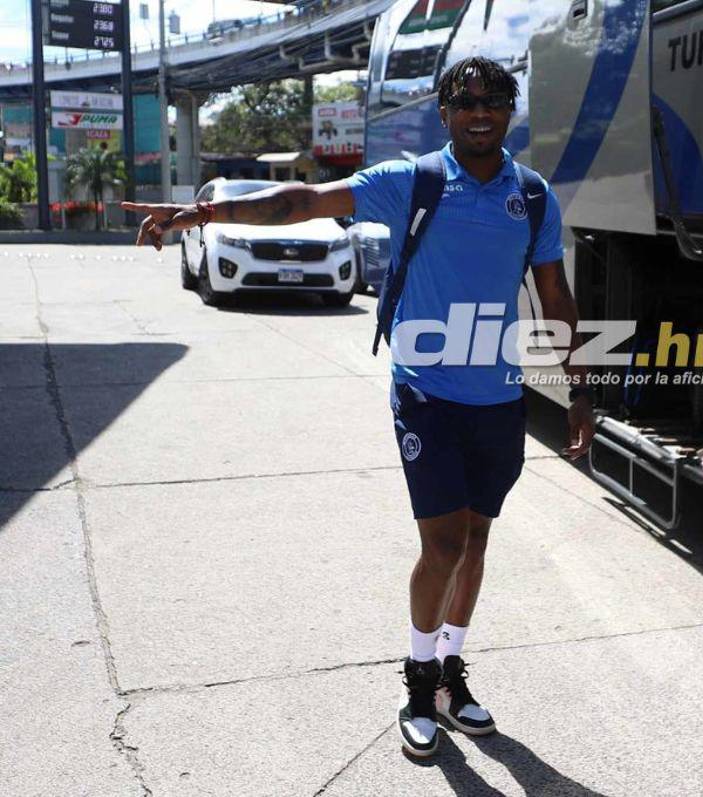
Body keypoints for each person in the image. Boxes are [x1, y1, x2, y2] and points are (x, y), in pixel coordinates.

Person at [123, 57, 596, 759]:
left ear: (508, 112)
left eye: (494, 101)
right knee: (442, 543)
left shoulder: (531, 197)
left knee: (477, 541)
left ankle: (451, 676)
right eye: (465, 102)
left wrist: (580, 388)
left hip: (499, 401)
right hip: (427, 396)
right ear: (444, 112)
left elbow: (555, 297)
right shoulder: (415, 181)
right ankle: (417, 678)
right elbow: (301, 201)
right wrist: (203, 212)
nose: (480, 112)